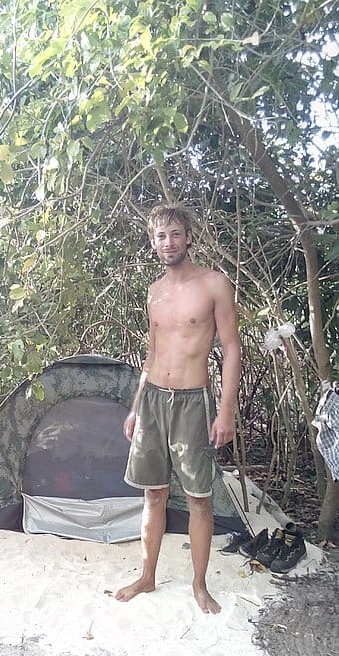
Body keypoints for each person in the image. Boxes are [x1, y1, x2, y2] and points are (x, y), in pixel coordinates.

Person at [115, 203, 241, 614]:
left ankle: (199, 585)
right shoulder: (155, 291)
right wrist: (136, 408)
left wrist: (226, 411)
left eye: (174, 234)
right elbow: (151, 353)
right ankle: (147, 576)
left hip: (193, 400)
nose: (168, 243)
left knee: (198, 498)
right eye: (160, 236)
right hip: (152, 398)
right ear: (153, 243)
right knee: (153, 494)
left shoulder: (214, 285)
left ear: (188, 237)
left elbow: (232, 349)